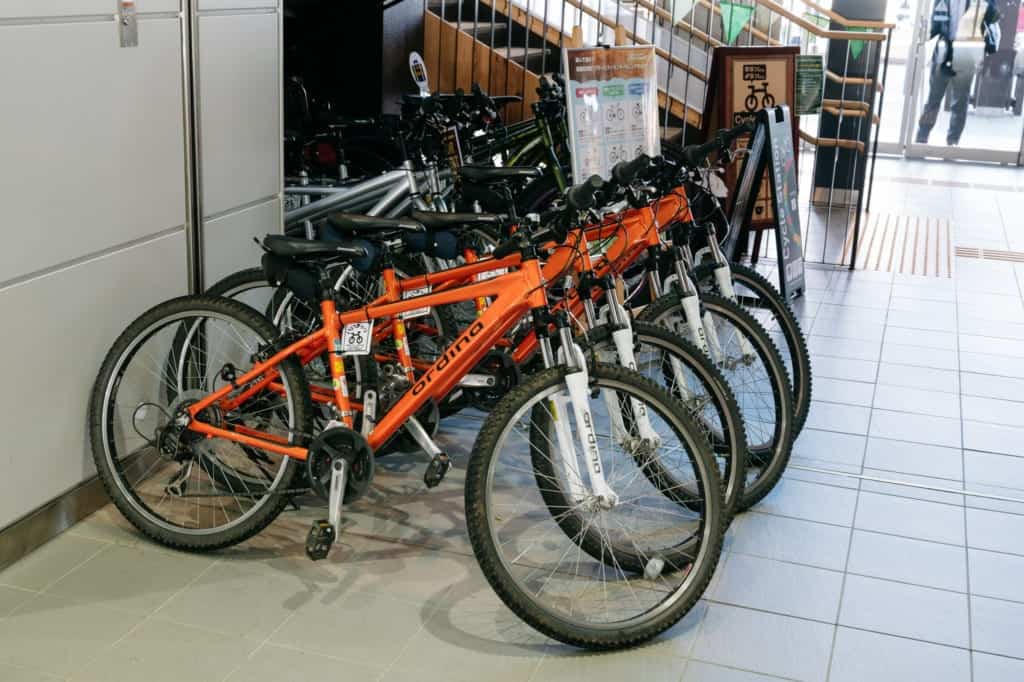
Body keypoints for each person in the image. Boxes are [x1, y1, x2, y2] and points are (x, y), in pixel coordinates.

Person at [915, 0, 1002, 146]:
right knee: (933, 99)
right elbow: (935, 20)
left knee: (960, 101)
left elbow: (994, 16)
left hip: (966, 50)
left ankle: (953, 140)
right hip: (944, 48)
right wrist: (924, 37)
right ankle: (921, 137)